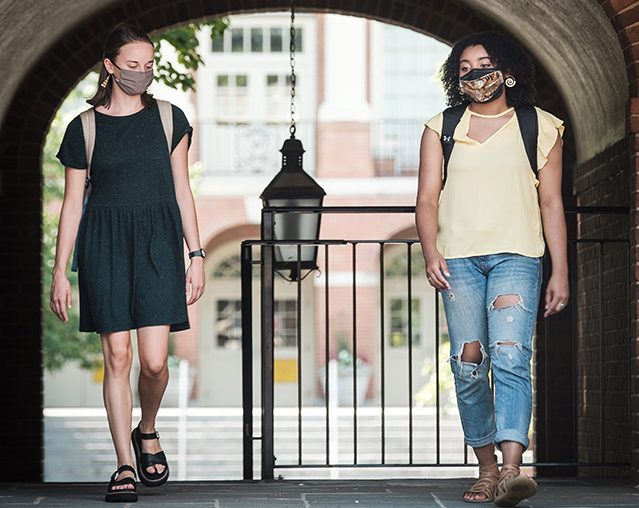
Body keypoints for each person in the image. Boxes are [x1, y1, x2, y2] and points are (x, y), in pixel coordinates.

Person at [49, 23, 205, 503]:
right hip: (105, 245)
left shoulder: (168, 119)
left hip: (159, 242)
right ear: (111, 67)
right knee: (118, 356)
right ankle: (122, 465)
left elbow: (182, 189)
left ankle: (148, 428)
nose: (142, 73)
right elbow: (72, 204)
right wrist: (60, 271)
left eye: (149, 65)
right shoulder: (85, 128)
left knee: (156, 362)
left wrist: (196, 254)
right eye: (132, 65)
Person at [415, 31, 569, 506]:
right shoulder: (440, 127)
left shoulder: (540, 126)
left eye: (483, 63)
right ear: (455, 79)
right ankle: (485, 469)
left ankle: (510, 470)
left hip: (517, 257)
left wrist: (559, 270)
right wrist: (429, 252)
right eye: (464, 68)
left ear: (505, 68)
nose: (475, 73)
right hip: (457, 261)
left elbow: (550, 202)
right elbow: (425, 199)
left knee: (509, 356)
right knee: (468, 366)